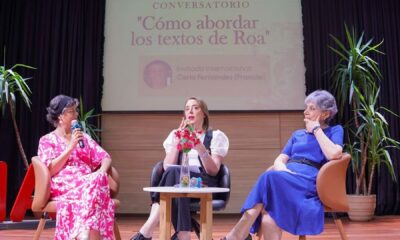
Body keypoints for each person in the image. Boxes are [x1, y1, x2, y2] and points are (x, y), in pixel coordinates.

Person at [222, 90, 344, 240]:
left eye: (312, 109)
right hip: (286, 177)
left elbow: (334, 154)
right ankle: (238, 235)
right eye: (306, 107)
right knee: (269, 211)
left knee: (268, 178)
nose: (306, 112)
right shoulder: (297, 134)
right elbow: (279, 160)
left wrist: (316, 129)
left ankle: (237, 235)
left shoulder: (334, 131)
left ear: (325, 114)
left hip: (308, 182)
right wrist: (283, 171)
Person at [131, 97, 229, 240]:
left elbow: (213, 170)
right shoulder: (175, 135)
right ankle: (183, 234)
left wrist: (200, 148)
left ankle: (148, 230)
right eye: (187, 108)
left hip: (202, 183)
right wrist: (177, 142)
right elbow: (166, 167)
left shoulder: (215, 136)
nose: (191, 111)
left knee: (175, 172)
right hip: (178, 182)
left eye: (195, 107)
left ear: (204, 114)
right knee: (174, 172)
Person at [37, 94, 115, 240]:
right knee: (97, 192)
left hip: (88, 183)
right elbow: (50, 169)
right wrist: (71, 147)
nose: (77, 114)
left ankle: (84, 234)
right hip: (63, 185)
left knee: (95, 185)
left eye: (75, 110)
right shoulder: (47, 140)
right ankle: (89, 235)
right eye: (72, 111)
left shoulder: (83, 137)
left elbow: (105, 157)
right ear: (60, 116)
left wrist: (101, 172)